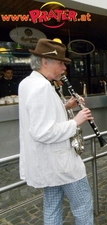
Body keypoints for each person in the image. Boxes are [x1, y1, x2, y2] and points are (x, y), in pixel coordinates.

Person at [18, 39, 94, 224]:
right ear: (45, 62)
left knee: (52, 207)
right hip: (61, 164)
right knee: (83, 204)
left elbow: (44, 116)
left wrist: (66, 106)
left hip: (48, 164)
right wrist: (76, 121)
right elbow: (42, 132)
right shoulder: (41, 87)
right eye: (61, 63)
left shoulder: (28, 83)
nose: (64, 68)